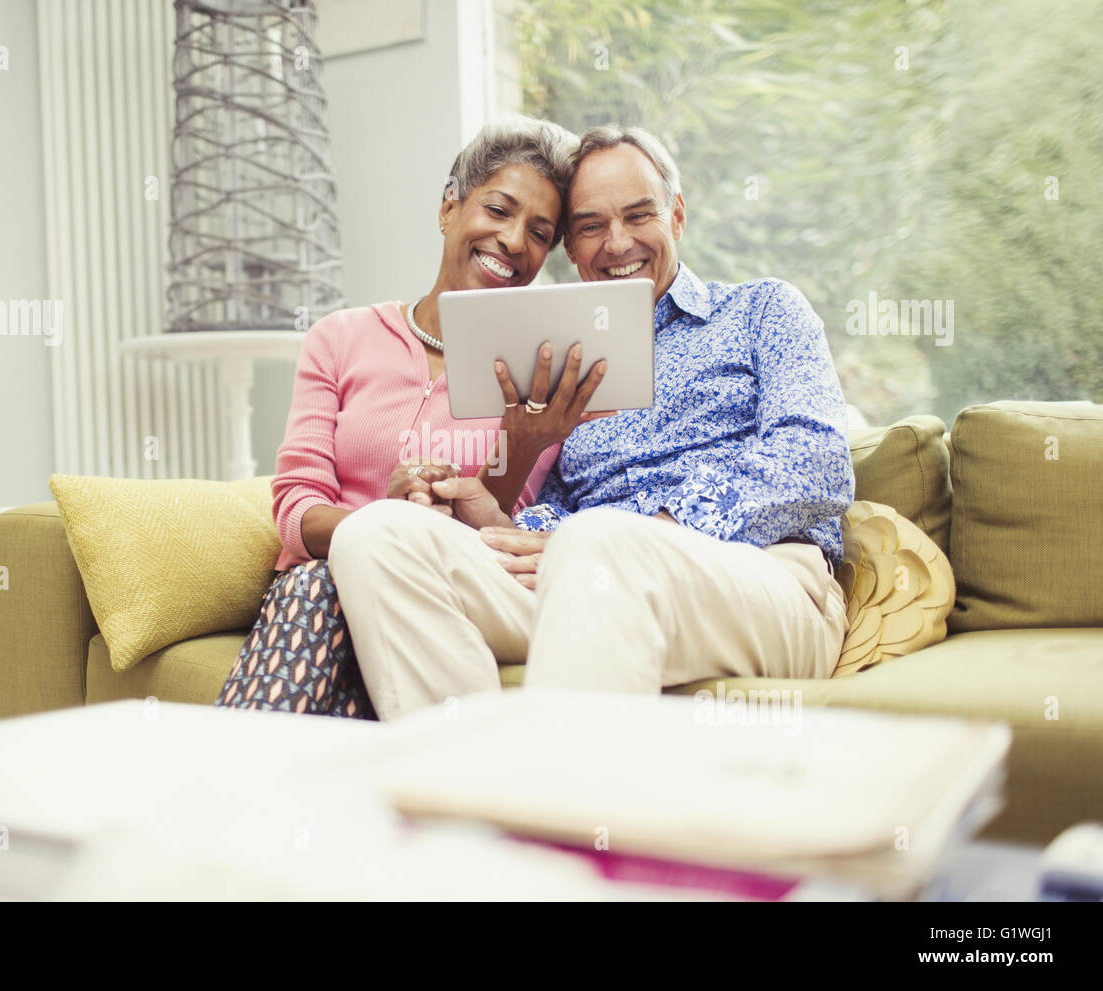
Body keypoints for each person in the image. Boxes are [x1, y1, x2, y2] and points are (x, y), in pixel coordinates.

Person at [328, 125, 855, 720]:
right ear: (571, 251)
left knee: (596, 539)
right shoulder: (557, 357)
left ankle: (563, 808)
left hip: (761, 580)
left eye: (639, 215)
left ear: (676, 217)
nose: (618, 242)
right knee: (377, 534)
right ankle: (469, 788)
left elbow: (818, 463)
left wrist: (655, 527)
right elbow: (558, 518)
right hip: (586, 576)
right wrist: (493, 518)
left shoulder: (763, 309)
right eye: (591, 227)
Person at [214, 116, 606, 719]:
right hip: (321, 586)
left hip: (437, 591)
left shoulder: (539, 368)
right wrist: (384, 519)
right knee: (320, 590)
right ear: (449, 207)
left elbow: (499, 542)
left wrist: (521, 446)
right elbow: (296, 510)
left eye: (538, 232)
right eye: (497, 210)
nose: (512, 241)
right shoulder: (339, 338)